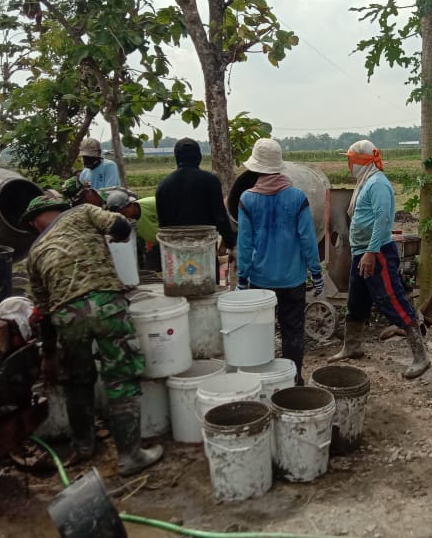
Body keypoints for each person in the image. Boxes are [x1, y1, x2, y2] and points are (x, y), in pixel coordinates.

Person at [24, 194, 163, 474]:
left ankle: (83, 447)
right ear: (60, 209)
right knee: (120, 376)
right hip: (106, 305)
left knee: (77, 381)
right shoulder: (82, 212)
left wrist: (48, 354)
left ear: (34, 223)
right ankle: (130, 455)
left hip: (67, 316)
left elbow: (43, 311)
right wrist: (117, 239)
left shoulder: (34, 253)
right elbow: (121, 226)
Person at [328, 140, 430, 379]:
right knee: (357, 301)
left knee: (391, 299)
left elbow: (383, 220)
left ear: (361, 162)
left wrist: (371, 252)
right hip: (361, 252)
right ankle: (352, 346)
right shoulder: (365, 182)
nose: (348, 165)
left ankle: (421, 356)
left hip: (377, 253)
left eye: (351, 160)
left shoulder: (377, 184)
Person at [236, 138, 324, 385]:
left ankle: (263, 382)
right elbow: (308, 240)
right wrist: (316, 275)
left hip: (260, 281)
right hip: (292, 279)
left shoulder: (247, 199)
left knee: (261, 334)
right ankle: (294, 381)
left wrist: (242, 279)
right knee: (293, 331)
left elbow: (244, 244)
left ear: (256, 168)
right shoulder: (297, 198)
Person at [155, 137, 237, 276]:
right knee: (208, 289)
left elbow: (163, 225)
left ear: (177, 158)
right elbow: (220, 217)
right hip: (204, 249)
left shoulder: (163, 185)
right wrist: (230, 244)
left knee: (181, 290)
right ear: (199, 157)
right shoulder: (210, 181)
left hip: (177, 251)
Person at [104, 191, 162, 272]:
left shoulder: (152, 203)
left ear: (132, 204)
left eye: (124, 212)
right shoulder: (128, 221)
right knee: (149, 271)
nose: (124, 216)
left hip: (170, 240)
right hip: (156, 244)